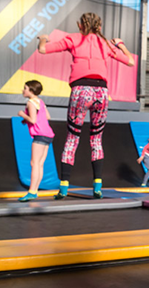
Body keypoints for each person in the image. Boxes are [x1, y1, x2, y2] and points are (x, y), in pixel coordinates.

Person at [38, 12, 134, 199]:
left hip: (81, 91)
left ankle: (64, 188)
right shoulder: (105, 44)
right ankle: (97, 186)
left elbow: (43, 50)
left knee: (73, 138)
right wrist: (120, 44)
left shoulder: (73, 39)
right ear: (99, 27)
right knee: (96, 139)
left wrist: (43, 39)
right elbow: (130, 61)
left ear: (79, 25)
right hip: (101, 93)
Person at [16, 80, 54, 202]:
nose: (23, 90)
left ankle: (32, 191)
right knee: (40, 163)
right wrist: (27, 119)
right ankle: (35, 191)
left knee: (34, 163)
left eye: (25, 88)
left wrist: (22, 114)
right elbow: (47, 117)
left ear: (31, 91)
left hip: (40, 134)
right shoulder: (40, 102)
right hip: (48, 134)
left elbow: (33, 120)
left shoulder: (31, 102)